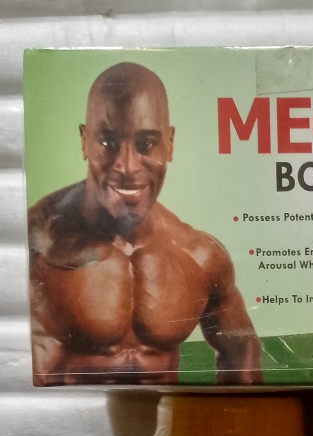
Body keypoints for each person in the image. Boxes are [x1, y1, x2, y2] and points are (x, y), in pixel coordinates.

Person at [28, 62, 262, 385]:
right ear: (84, 141)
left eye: (146, 144)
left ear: (170, 144)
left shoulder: (199, 257)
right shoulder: (35, 245)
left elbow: (243, 351)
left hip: (163, 418)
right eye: (107, 142)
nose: (127, 166)